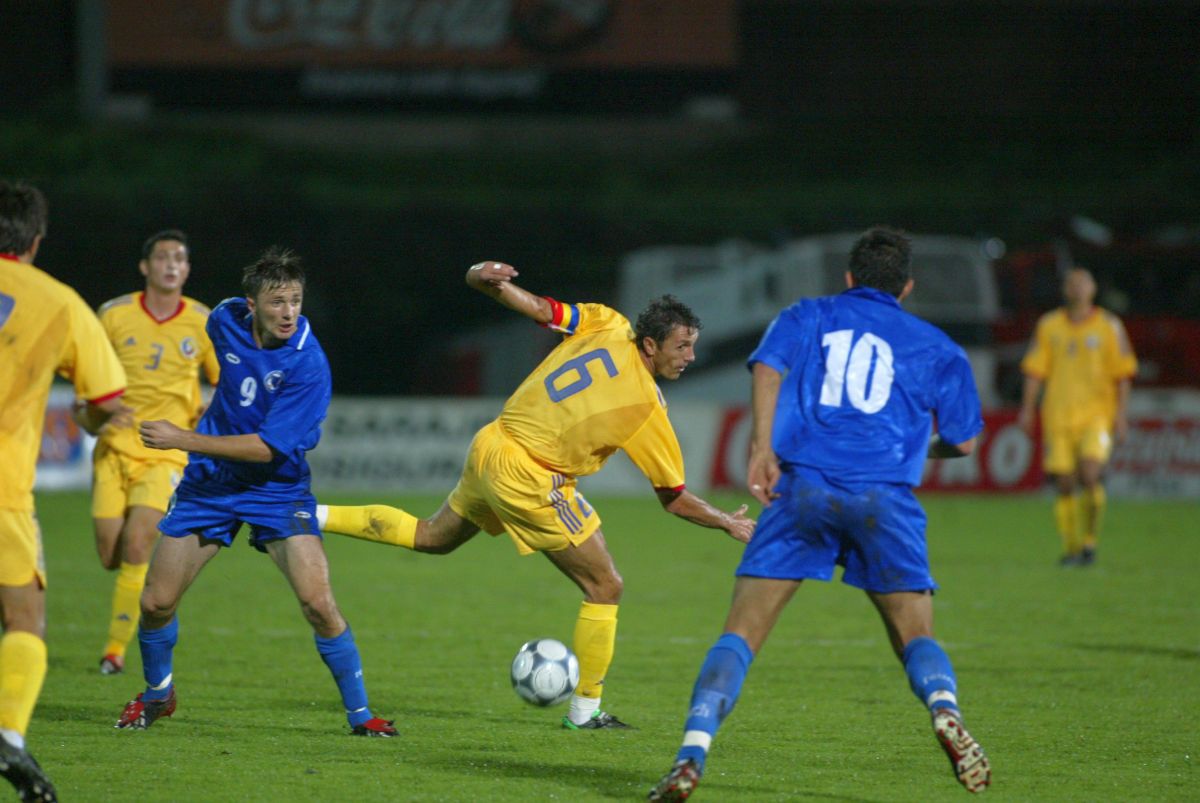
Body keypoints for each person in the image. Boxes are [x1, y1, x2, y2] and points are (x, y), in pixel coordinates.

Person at [318, 261, 754, 730]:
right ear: (650, 345)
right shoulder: (646, 407)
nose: (689, 356)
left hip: (493, 442)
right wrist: (728, 521)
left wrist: (487, 284)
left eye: (692, 345)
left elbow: (541, 310)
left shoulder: (607, 322)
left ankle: (308, 514)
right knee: (605, 585)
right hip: (531, 476)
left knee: (432, 537)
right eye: (682, 346)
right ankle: (585, 712)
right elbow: (674, 498)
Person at [649, 227, 991, 800]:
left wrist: (761, 447)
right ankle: (944, 708)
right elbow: (963, 443)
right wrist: (915, 447)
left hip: (805, 487)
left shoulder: (806, 315)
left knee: (740, 635)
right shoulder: (937, 346)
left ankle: (691, 753)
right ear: (905, 287)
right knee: (914, 635)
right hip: (886, 498)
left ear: (849, 278)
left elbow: (767, 368)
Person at [113, 247, 396, 737]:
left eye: (296, 301)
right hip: (210, 486)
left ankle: (362, 716)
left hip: (277, 490)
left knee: (318, 604)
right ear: (252, 304)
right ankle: (158, 695)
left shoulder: (309, 364)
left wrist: (182, 438)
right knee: (156, 603)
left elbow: (268, 449)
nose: (288, 312)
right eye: (278, 302)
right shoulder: (224, 318)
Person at [1, 179, 128, 803]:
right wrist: (91, 421)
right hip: (2, 493)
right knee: (23, 619)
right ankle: (8, 738)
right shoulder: (59, 302)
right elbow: (107, 402)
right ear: (36, 239)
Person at [91, 230, 220, 676]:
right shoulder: (113, 315)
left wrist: (209, 411)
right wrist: (95, 410)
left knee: (141, 540)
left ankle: (114, 651)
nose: (171, 265)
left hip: (167, 448)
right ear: (145, 266)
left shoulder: (204, 321)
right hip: (114, 447)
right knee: (111, 552)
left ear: (186, 270)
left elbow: (224, 380)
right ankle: (120, 627)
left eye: (180, 259)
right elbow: (90, 376)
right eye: (163, 257)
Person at [1017, 267, 1137, 567]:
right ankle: (1071, 549)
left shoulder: (1110, 325)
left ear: (1093, 289)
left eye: (1084, 282)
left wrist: (1121, 415)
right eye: (1073, 283)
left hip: (1096, 416)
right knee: (1065, 483)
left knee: (1090, 474)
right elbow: (1035, 371)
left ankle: (1089, 542)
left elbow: (1123, 374)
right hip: (1058, 416)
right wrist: (1027, 408)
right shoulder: (1049, 325)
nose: (1078, 288)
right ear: (1065, 290)